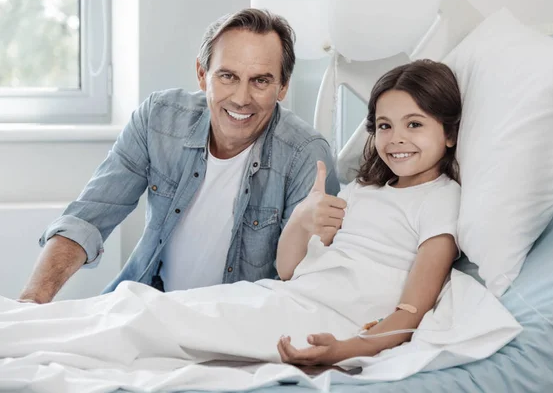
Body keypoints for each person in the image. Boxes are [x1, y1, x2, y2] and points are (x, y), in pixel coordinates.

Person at [2, 59, 461, 368]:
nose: (396, 138)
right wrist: (303, 219)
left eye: (415, 124)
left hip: (324, 321)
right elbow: (287, 269)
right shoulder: (366, 191)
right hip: (281, 296)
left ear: (451, 134)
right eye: (384, 125)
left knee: (148, 320)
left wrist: (344, 349)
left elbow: (411, 312)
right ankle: (17, 326)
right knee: (137, 304)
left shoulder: (440, 201)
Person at [17, 9, 339, 304]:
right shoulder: (159, 119)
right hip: (150, 306)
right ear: (202, 75)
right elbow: (88, 218)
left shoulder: (306, 156)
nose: (242, 99)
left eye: (260, 81)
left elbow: (304, 286)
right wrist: (33, 301)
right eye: (227, 76)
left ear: (282, 87)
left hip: (238, 330)